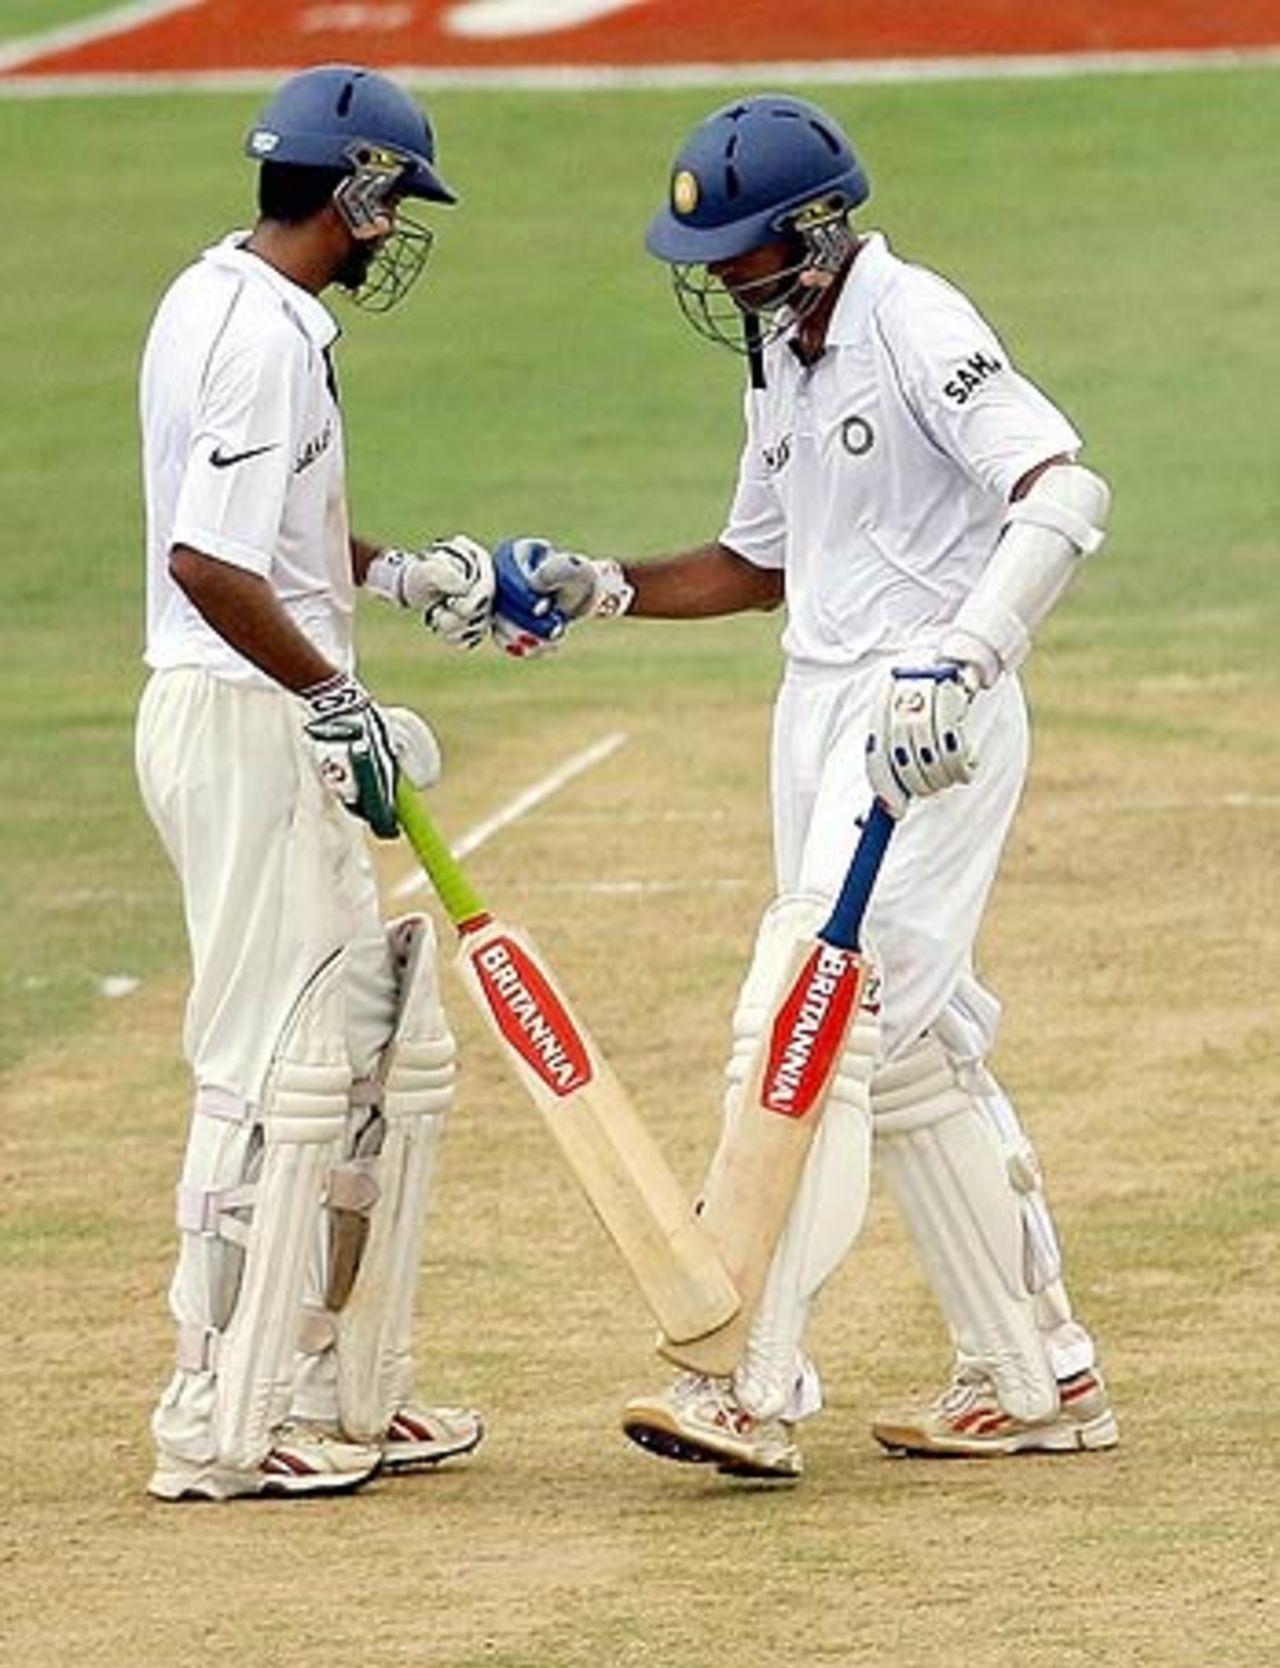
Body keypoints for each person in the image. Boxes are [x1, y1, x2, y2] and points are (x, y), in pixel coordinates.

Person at [489, 93, 1119, 1480]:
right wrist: (602, 587)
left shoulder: (914, 321)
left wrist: (963, 657)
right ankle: (1035, 1375)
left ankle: (744, 1380)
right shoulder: (784, 349)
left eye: (745, 252)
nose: (723, 278)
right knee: (904, 1044)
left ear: (820, 231)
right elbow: (759, 562)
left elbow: (1063, 493)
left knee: (811, 1020)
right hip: (822, 708)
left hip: (924, 715)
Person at [135, 64, 494, 1502]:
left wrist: (394, 578)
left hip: (264, 710)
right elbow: (206, 562)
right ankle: (210, 1414)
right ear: (354, 193)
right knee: (263, 1070)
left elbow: (266, 532)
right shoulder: (262, 339)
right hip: (247, 721)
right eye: (393, 203)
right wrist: (334, 697)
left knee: (357, 1060)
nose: (395, 231)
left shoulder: (216, 295)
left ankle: (327, 1384)